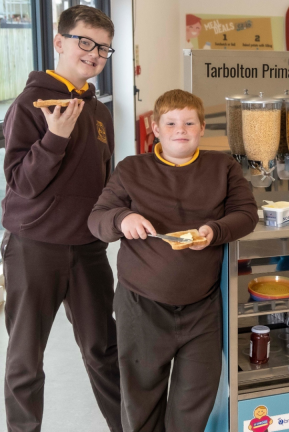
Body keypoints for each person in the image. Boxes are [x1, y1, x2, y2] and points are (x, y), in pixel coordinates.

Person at [88, 89, 259, 431]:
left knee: (195, 398)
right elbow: (97, 219)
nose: (180, 129)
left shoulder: (222, 167)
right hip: (142, 305)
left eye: (189, 122)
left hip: (202, 307)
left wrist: (213, 231)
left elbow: (246, 214)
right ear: (156, 127)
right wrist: (123, 218)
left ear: (201, 127)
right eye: (171, 122)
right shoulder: (131, 169)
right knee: (141, 398)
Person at [1, 5, 121, 431]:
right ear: (59, 42)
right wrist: (55, 137)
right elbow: (20, 183)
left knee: (104, 350)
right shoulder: (30, 103)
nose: (94, 53)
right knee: (25, 359)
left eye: (104, 48)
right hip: (34, 247)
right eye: (85, 42)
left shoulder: (100, 111)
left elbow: (104, 183)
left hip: (88, 249)